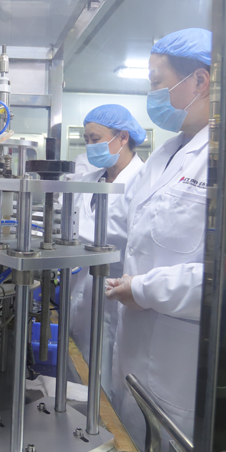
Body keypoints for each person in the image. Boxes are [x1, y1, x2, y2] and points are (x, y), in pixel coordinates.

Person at [103, 28, 226, 451]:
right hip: (143, 362)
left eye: (157, 81)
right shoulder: (166, 154)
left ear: (199, 81)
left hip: (197, 375)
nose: (151, 94)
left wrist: (148, 289)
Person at [66, 104, 148, 393]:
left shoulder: (143, 181)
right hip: (80, 287)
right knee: (77, 372)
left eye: (96, 139)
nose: (90, 146)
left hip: (115, 291)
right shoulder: (91, 178)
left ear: (123, 137)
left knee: (105, 376)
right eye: (86, 140)